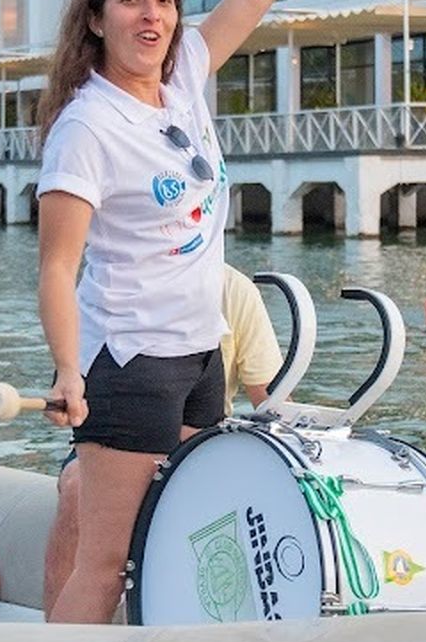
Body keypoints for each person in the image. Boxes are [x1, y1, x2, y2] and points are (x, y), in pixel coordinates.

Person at [34, 0, 372, 625]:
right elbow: (56, 265)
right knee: (106, 565)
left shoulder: (186, 71)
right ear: (96, 16)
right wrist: (69, 370)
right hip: (126, 361)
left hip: (197, 357)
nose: (152, 14)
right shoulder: (85, 127)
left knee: (186, 534)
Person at [41, 264, 284, 615]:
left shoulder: (236, 291)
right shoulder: (111, 284)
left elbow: (271, 402)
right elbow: (77, 379)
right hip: (118, 437)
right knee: (78, 485)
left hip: (198, 444)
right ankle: (50, 629)